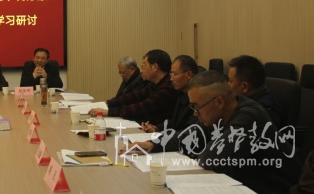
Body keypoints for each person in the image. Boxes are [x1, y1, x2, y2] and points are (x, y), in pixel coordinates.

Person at [127, 71, 300, 194]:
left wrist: (197, 150)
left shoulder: (248, 117)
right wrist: (153, 143)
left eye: (196, 107)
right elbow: (188, 136)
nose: (195, 114)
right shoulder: (217, 114)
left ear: (219, 102)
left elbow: (210, 158)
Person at [89, 49, 178, 125]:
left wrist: (109, 112)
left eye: (144, 66)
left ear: (155, 67)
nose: (142, 71)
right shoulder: (154, 84)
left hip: (159, 131)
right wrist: (107, 103)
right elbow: (133, 97)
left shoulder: (167, 87)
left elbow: (141, 107)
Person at [142, 55, 198, 133]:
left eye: (174, 74)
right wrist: (156, 128)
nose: (171, 79)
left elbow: (189, 132)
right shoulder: (181, 94)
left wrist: (159, 134)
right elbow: (174, 122)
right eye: (171, 74)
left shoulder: (197, 99)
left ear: (188, 75)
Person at [227, 55, 285, 127]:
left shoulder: (260, 114)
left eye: (230, 81)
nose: (227, 84)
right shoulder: (249, 100)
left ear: (244, 87)